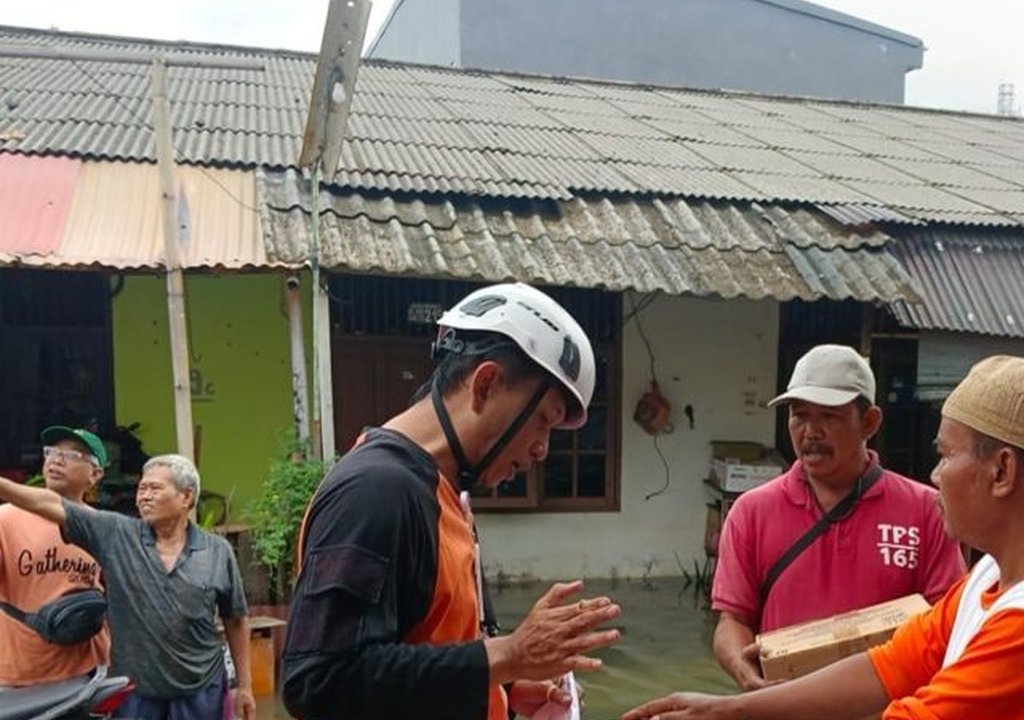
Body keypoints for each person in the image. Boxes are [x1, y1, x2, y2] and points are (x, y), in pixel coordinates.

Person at [624, 355, 1024, 720]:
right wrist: (732, 707)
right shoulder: (997, 572)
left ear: (1002, 471)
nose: (936, 474)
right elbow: (893, 663)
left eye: (945, 454)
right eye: (799, 416)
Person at [280, 283, 622, 720]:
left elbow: (431, 645)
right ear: (486, 385)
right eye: (542, 420)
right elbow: (319, 680)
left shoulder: (443, 491)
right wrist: (507, 656)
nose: (542, 450)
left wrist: (504, 687)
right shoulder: (377, 491)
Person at [711, 344, 965, 690]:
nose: (811, 432)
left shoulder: (927, 510)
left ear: (870, 422)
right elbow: (732, 621)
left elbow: (948, 622)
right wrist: (746, 672)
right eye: (799, 415)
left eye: (829, 416)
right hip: (784, 707)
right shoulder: (751, 512)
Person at [0, 454, 254, 720]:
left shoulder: (217, 551)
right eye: (141, 489)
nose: (144, 496)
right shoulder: (117, 534)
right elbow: (52, 503)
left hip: (200, 690)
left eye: (155, 489)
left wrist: (245, 687)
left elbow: (235, 619)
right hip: (135, 693)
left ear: (186, 497)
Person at [0, 426, 111, 686]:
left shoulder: (104, 526)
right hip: (22, 673)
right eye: (51, 452)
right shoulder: (6, 518)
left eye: (73, 456)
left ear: (95, 474)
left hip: (88, 670)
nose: (57, 459)